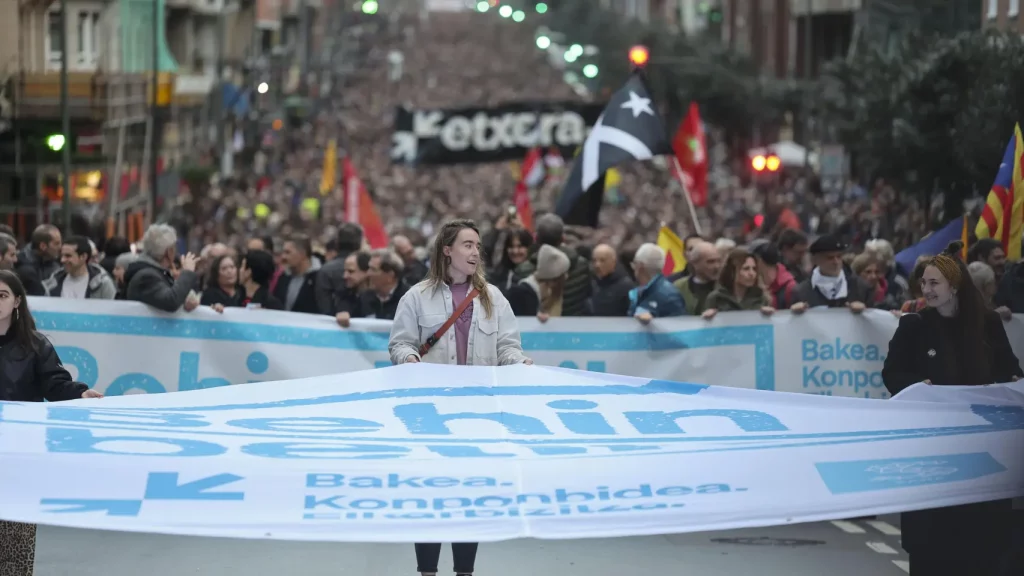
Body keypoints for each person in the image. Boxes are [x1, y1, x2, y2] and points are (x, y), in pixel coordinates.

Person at [389, 219, 531, 576]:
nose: (475, 252)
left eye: (478, 246)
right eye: (468, 245)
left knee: (469, 495)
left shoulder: (493, 298)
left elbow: (508, 347)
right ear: (447, 250)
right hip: (431, 414)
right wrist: (409, 358)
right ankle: (427, 571)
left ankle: (465, 571)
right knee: (432, 494)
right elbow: (400, 342)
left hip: (476, 414)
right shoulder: (416, 297)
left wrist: (520, 362)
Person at [881, 241, 1022, 576]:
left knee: (981, 546)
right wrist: (918, 385)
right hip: (932, 451)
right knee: (932, 546)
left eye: (934, 283)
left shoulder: (986, 324)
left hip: (982, 450)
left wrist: (1009, 384)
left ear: (954, 286)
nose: (926, 290)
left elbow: (1010, 369)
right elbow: (892, 373)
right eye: (924, 283)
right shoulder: (914, 325)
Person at [0, 269, 102, 576]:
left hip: (18, 453)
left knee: (15, 541)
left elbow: (55, 385)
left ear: (17, 301)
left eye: (2, 296)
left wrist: (80, 394)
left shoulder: (34, 346)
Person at [124, 224, 200, 313]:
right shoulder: (146, 276)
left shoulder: (155, 272)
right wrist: (187, 272)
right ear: (169, 251)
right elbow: (171, 301)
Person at [701, 248, 774, 319]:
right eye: (746, 268)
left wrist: (769, 316)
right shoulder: (716, 298)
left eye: (754, 269)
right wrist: (708, 317)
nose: (752, 273)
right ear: (732, 271)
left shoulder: (761, 297)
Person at [507, 244, 571, 320]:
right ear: (553, 279)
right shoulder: (520, 294)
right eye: (563, 274)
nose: (567, 276)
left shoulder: (547, 294)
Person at [43, 235, 117, 299]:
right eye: (62, 255)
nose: (62, 260)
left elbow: (112, 312)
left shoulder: (102, 284)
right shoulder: (53, 283)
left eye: (68, 256)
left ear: (83, 257)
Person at [629, 243, 687, 323]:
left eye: (634, 264)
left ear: (640, 266)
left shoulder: (669, 295)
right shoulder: (638, 292)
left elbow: (679, 327)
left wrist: (653, 321)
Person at [15, 224, 62, 296]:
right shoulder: (24, 268)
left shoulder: (56, 262)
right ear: (43, 246)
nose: (60, 247)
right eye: (56, 243)